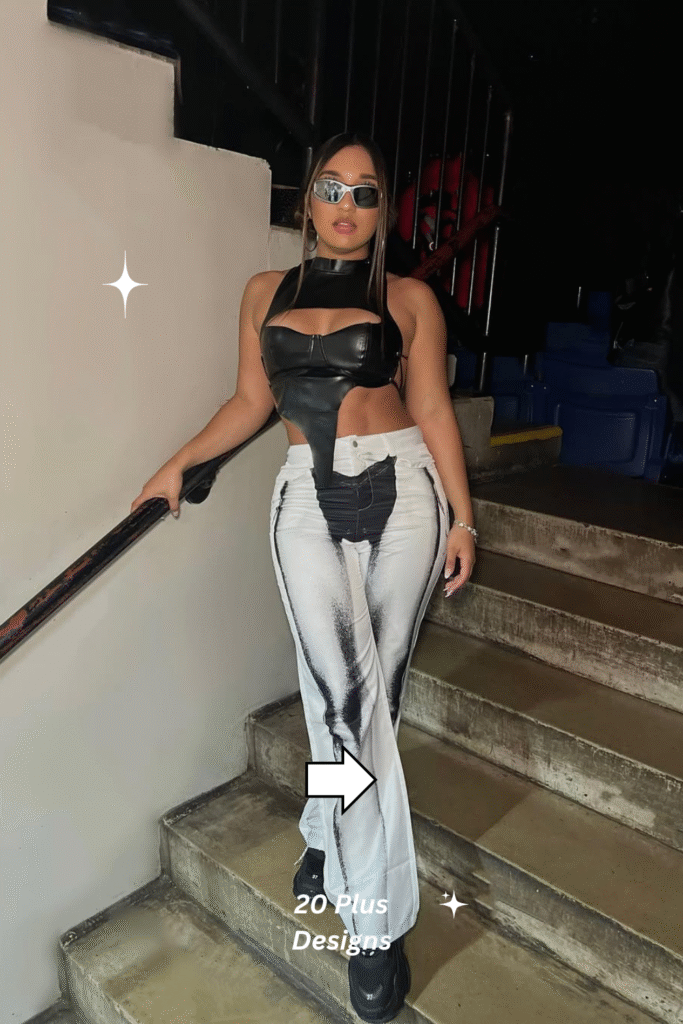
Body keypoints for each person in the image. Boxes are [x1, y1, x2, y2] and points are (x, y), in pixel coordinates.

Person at [130, 131, 477, 1022]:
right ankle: (373, 924)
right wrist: (177, 463)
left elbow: (433, 407)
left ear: (382, 210)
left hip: (404, 495)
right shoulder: (263, 293)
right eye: (331, 186)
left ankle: (327, 833)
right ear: (306, 200)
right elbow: (252, 402)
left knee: (367, 703)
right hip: (307, 500)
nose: (346, 205)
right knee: (342, 699)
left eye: (365, 192)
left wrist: (463, 517)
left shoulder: (409, 298)